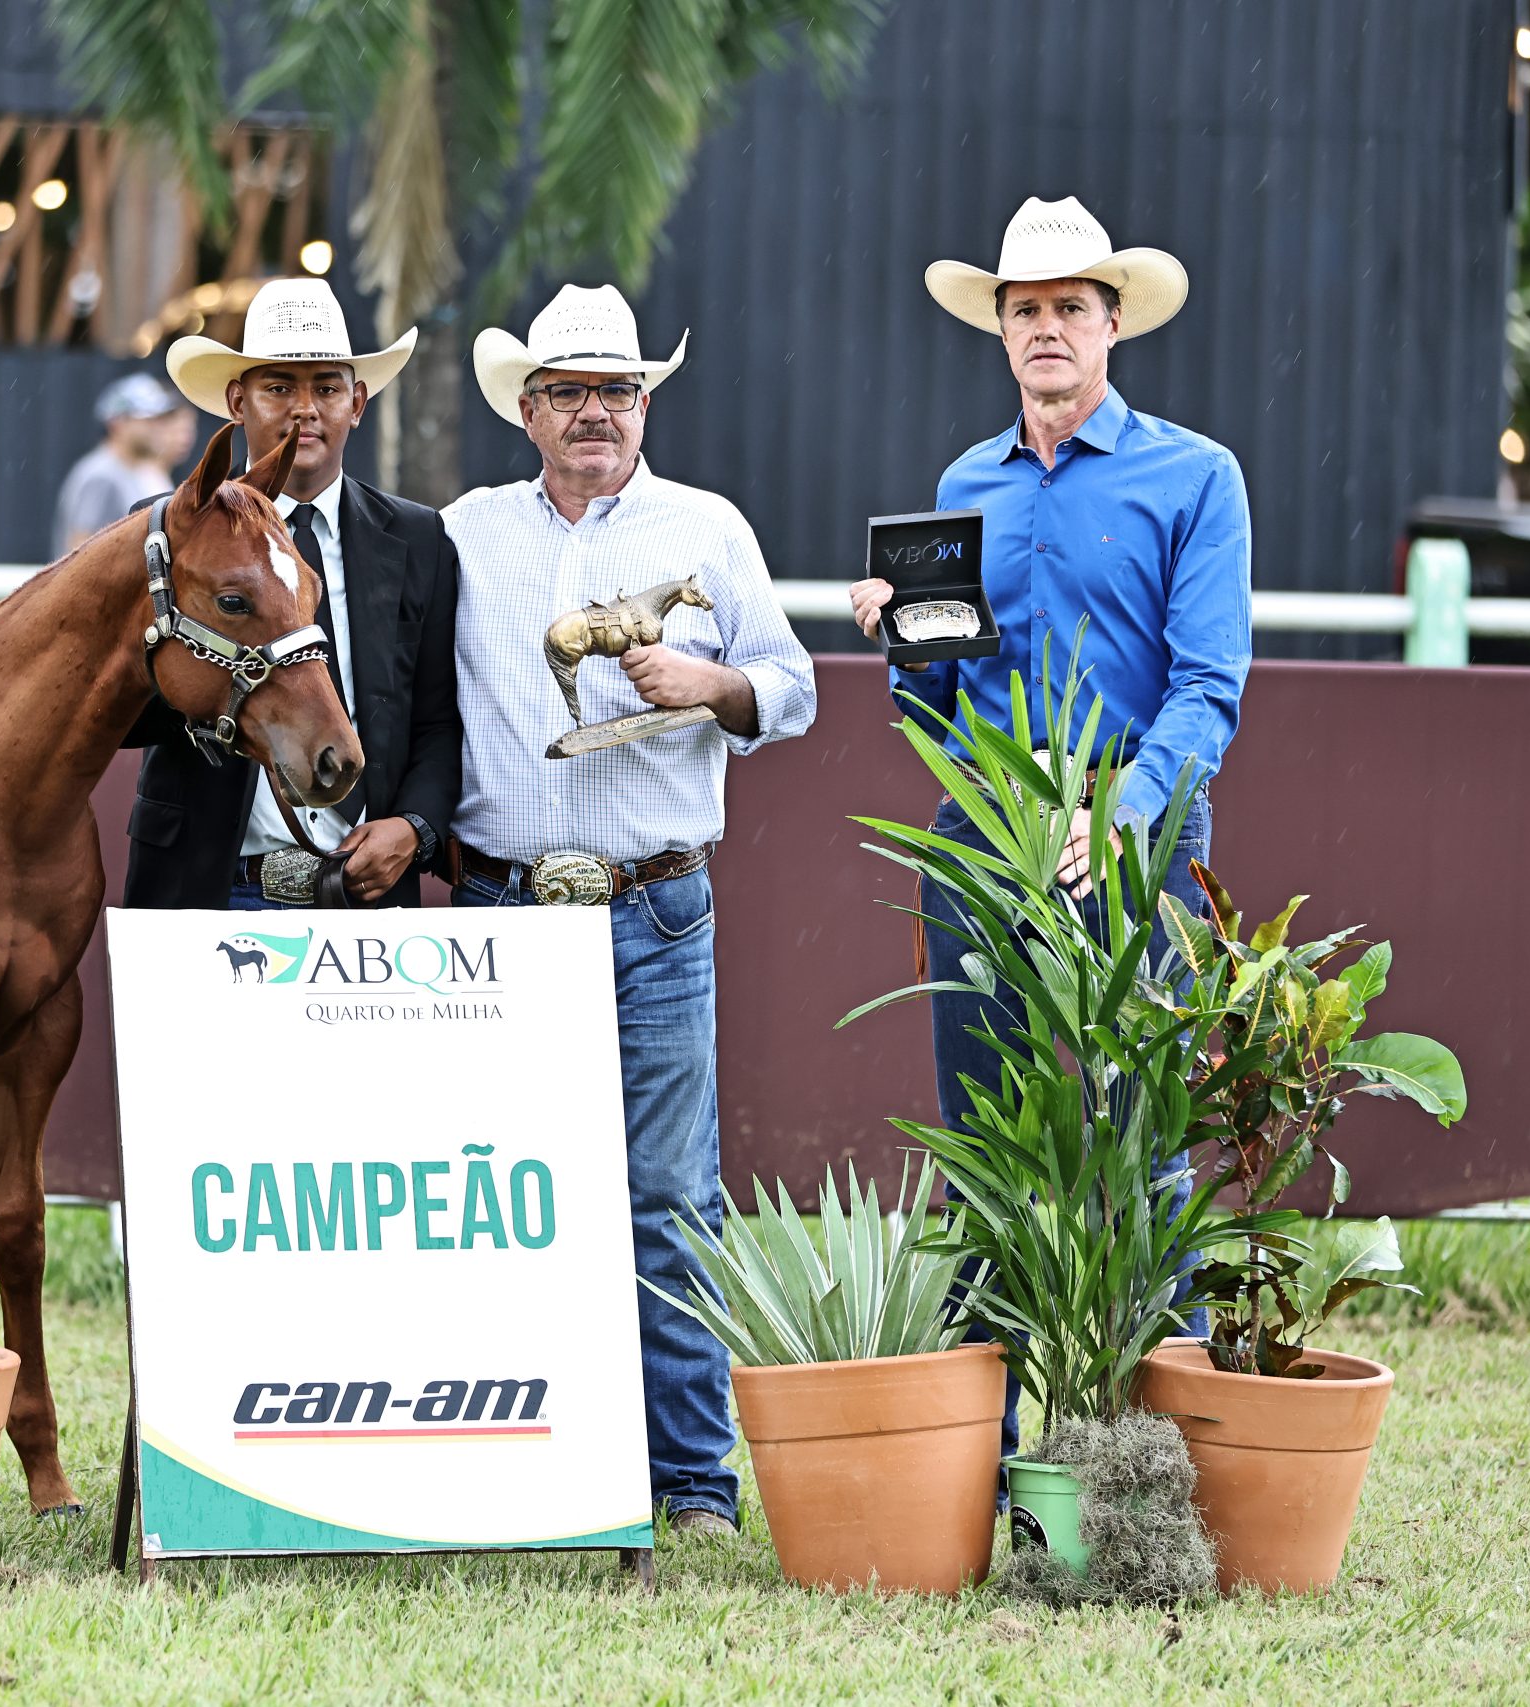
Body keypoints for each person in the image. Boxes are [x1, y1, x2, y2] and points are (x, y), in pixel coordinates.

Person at [848, 194, 1253, 1468]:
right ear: (999, 328)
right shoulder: (963, 485)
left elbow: (1208, 689)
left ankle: (1157, 1475)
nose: (1045, 329)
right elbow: (938, 708)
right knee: (987, 1154)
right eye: (1023, 310)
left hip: (1137, 840)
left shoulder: (1195, 477)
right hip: (981, 836)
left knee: (1147, 1148)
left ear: (1112, 323)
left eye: (1069, 307)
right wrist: (898, 635)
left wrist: (1120, 816)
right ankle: (987, 1469)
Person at [442, 284, 816, 1536]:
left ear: (646, 403)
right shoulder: (465, 535)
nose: (593, 411)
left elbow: (793, 688)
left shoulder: (707, 528)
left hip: (652, 907)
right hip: (498, 909)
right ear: (528, 409)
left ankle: (692, 1480)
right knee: (495, 1195)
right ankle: (522, 1459)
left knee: (666, 1196)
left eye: (617, 389)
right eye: (568, 391)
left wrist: (712, 683)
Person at [120, 278, 461, 911]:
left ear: (357, 403)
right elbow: (119, 702)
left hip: (363, 891)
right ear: (236, 401)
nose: (305, 409)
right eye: (278, 388)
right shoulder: (165, 530)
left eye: (326, 388)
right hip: (202, 886)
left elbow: (438, 719)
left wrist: (414, 828)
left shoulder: (418, 539)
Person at [53, 374, 196, 560]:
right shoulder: (101, 475)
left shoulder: (141, 472)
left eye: (161, 420)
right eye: (149, 419)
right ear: (118, 423)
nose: (159, 428)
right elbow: (81, 554)